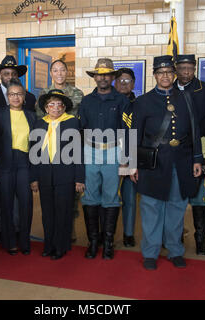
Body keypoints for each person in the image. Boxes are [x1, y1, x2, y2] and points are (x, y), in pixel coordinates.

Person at [131, 55, 203, 270]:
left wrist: (197, 158)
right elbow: (134, 133)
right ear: (154, 75)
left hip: (180, 161)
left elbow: (194, 130)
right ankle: (151, 253)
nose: (165, 76)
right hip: (153, 162)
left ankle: (175, 250)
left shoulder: (187, 98)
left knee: (176, 207)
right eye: (160, 73)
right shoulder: (143, 101)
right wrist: (132, 163)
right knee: (151, 207)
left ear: (174, 75)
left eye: (169, 73)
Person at [79, 58, 130, 260]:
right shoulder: (87, 100)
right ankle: (93, 241)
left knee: (110, 197)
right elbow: (80, 129)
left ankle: (108, 243)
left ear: (112, 77)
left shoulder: (122, 101)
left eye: (106, 74)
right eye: (99, 74)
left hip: (113, 151)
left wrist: (126, 158)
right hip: (89, 151)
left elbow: (128, 130)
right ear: (95, 77)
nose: (103, 77)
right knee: (90, 196)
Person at [30, 89, 85, 259]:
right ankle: (49, 245)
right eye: (51, 104)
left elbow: (78, 152)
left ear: (64, 107)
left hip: (65, 175)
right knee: (47, 213)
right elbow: (34, 152)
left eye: (59, 104)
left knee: (63, 212)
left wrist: (79, 178)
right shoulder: (39, 124)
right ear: (46, 108)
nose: (55, 108)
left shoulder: (72, 123)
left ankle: (61, 246)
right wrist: (34, 178)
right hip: (45, 175)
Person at [0, 55, 35, 243]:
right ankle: (0, 231)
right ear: (0, 75)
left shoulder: (30, 99)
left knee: (21, 201)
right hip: (0, 159)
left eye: (13, 73)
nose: (10, 76)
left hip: (23, 160)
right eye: (6, 73)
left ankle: (19, 234)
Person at [174, 54, 205, 255]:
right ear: (176, 69)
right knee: (175, 194)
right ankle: (175, 236)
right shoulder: (169, 88)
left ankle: (201, 239)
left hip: (200, 146)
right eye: (182, 68)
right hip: (176, 149)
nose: (186, 72)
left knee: (199, 196)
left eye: (190, 68)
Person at [114, 68, 137, 247]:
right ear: (114, 82)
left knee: (130, 197)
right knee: (111, 196)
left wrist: (133, 159)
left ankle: (128, 233)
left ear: (134, 83)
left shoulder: (140, 104)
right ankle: (109, 233)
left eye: (127, 80)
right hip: (111, 155)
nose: (123, 83)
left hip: (132, 155)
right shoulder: (109, 101)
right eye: (120, 80)